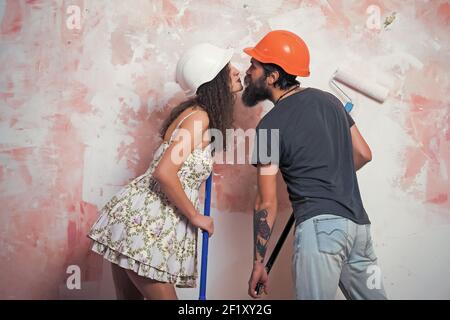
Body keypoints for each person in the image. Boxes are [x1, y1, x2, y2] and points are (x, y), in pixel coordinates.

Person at [88, 43, 243, 300]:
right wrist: (195, 216)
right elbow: (165, 172)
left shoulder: (196, 115)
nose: (237, 71)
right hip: (146, 226)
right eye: (228, 68)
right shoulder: (199, 118)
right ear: (213, 79)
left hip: (139, 220)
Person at [242, 30, 387, 300]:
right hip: (358, 228)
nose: (247, 72)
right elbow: (364, 153)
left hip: (321, 230)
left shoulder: (268, 127)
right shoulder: (330, 101)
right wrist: (331, 178)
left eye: (254, 66)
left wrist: (258, 263)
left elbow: (266, 202)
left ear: (272, 77)